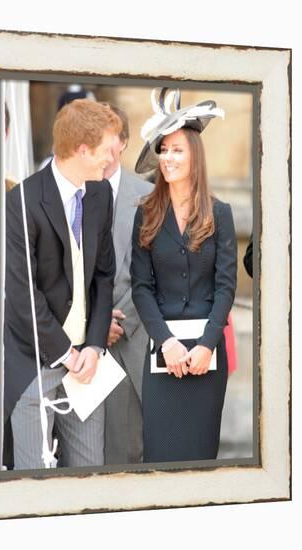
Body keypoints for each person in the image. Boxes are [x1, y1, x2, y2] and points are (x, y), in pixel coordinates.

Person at [4, 99, 120, 470]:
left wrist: (96, 346)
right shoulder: (21, 201)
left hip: (87, 363)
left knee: (89, 471)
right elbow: (23, 295)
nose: (112, 159)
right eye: (106, 150)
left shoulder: (100, 194)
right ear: (82, 149)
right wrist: (66, 354)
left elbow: (104, 275)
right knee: (34, 477)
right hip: (35, 363)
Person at [131, 88, 237, 463]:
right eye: (164, 149)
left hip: (207, 357)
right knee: (160, 458)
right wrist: (167, 342)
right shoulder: (145, 214)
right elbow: (141, 288)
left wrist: (207, 344)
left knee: (200, 459)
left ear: (195, 155)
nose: (168, 157)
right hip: (164, 355)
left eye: (178, 149)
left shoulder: (220, 213)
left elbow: (226, 287)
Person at [102, 106, 152, 465]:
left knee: (127, 450)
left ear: (122, 143)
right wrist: (95, 321)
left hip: (132, 337)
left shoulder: (148, 197)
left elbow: (153, 272)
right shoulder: (65, 190)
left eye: (107, 136)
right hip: (81, 342)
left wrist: (119, 321)